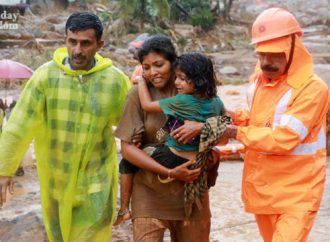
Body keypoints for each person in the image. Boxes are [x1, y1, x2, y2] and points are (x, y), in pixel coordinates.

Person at [0, 12, 131, 242]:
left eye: (86, 43)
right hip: (56, 183)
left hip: (96, 184)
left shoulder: (114, 81)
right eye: (72, 41)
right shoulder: (45, 77)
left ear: (100, 44)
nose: (77, 50)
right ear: (65, 40)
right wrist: (4, 171)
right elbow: (19, 125)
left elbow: (134, 125)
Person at [223, 8, 329, 242]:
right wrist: (234, 116)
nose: (265, 62)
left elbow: (285, 137)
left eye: (274, 55)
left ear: (293, 48)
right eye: (261, 55)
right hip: (263, 189)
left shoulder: (313, 89)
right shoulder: (258, 79)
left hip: (297, 193)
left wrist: (236, 131)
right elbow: (260, 118)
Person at [114, 35, 212, 241]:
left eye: (159, 65)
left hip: (191, 193)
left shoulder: (196, 93)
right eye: (146, 67)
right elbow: (127, 149)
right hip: (149, 192)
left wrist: (202, 127)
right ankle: (124, 208)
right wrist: (169, 171)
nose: (152, 73)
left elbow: (224, 131)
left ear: (174, 62)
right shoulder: (137, 95)